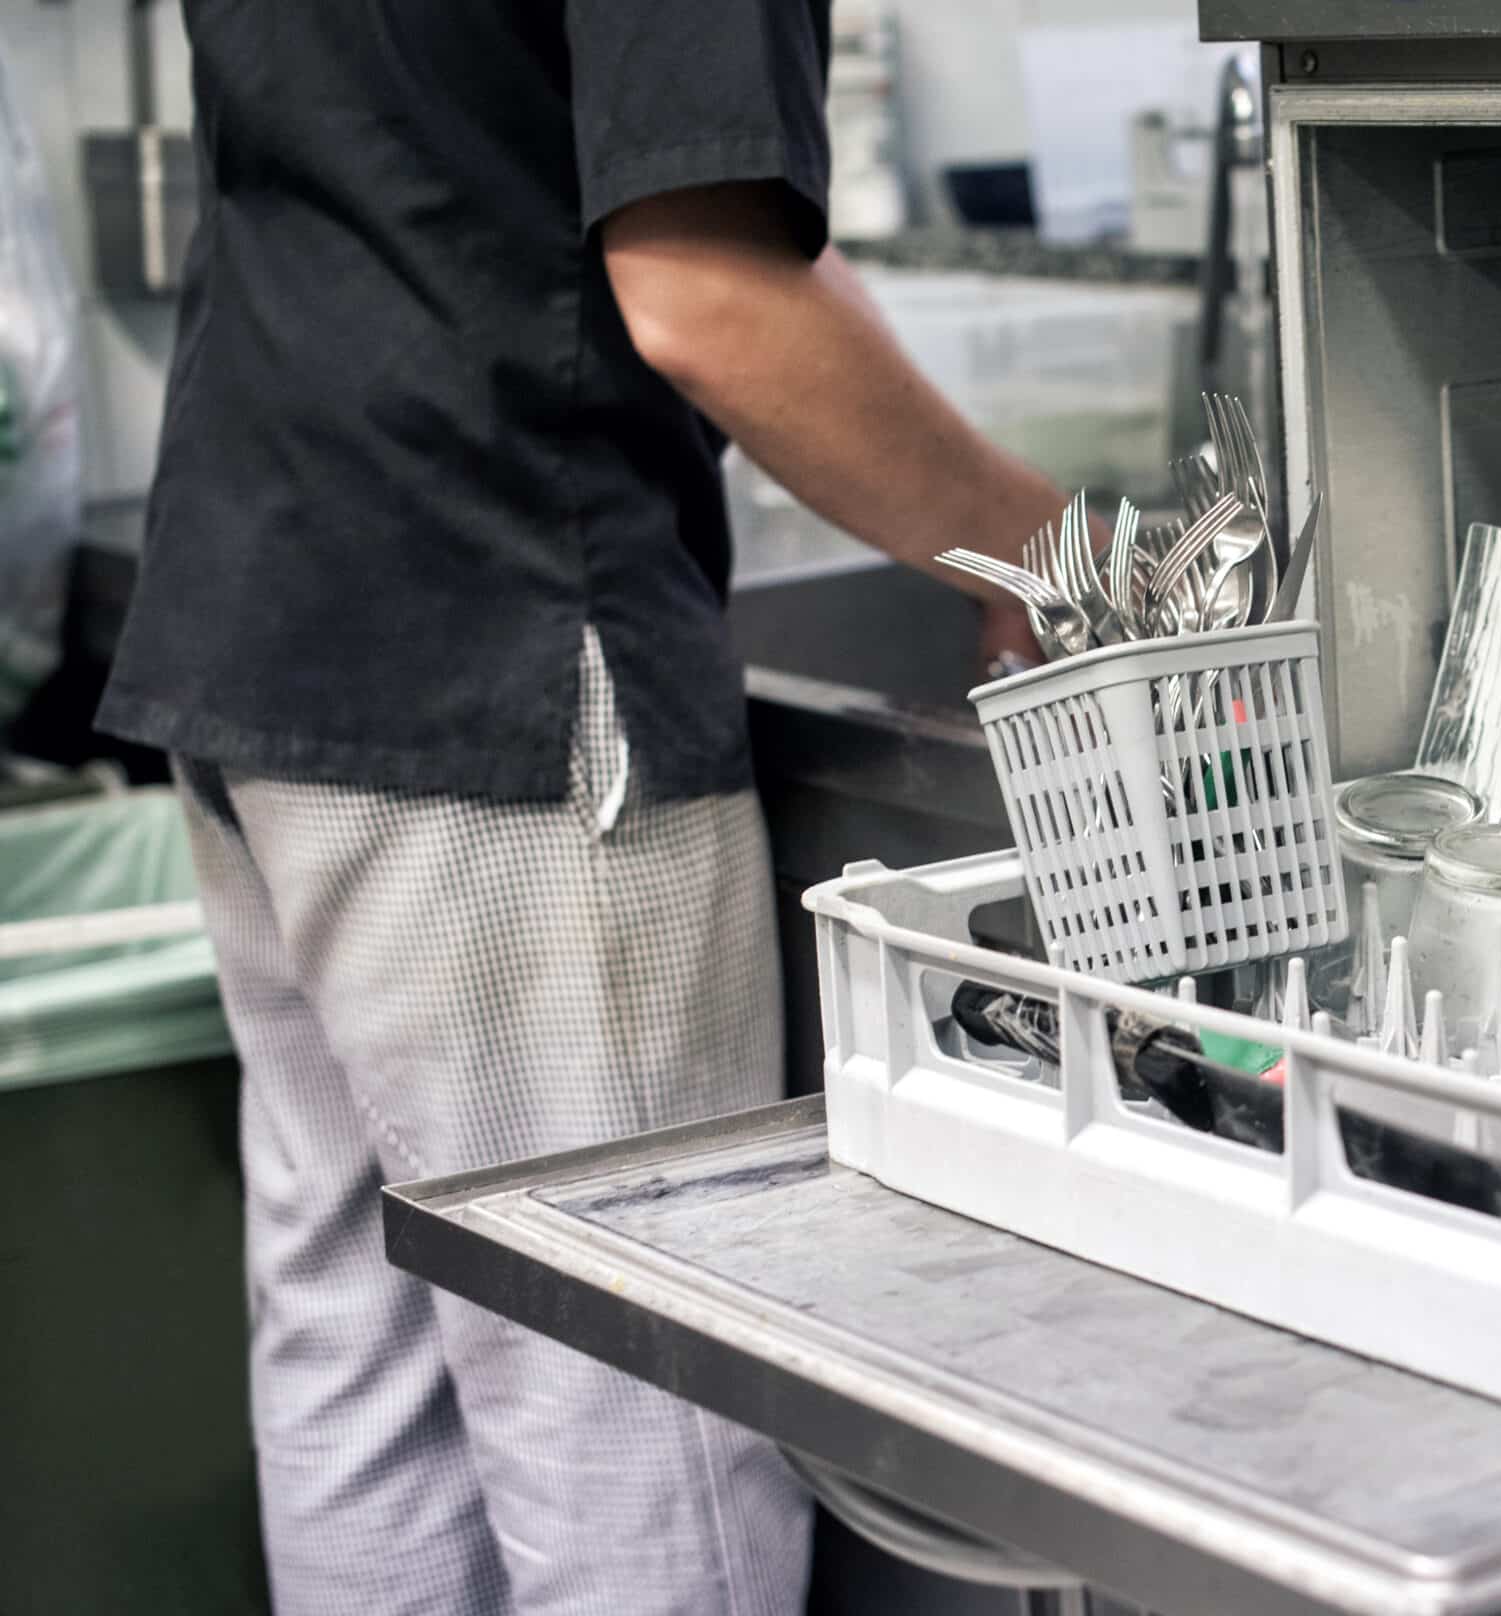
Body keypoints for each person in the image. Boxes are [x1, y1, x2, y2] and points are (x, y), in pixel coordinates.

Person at [96, 5, 1068, 1612]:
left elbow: (632, 205)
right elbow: (705, 300)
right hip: (502, 644)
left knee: (364, 1356)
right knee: (636, 1415)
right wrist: (1044, 539)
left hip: (265, 616)